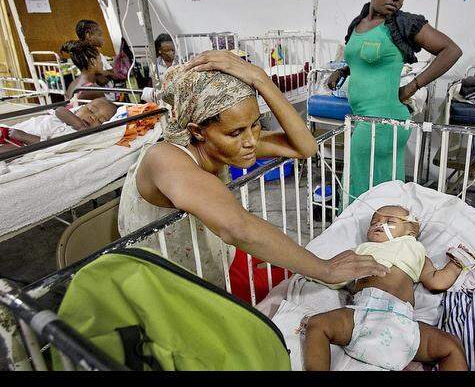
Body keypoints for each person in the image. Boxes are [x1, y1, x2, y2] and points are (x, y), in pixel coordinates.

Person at [117, 50, 388, 288]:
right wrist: (325, 269)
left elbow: (306, 148)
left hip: (207, 265)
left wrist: (260, 79)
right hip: (161, 284)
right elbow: (237, 228)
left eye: (255, 124)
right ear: (197, 132)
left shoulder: (225, 143)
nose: (250, 141)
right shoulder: (165, 158)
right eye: (235, 132)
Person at [324, 0, 462, 201]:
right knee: (372, 188)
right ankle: (375, 236)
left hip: (384, 121)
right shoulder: (358, 23)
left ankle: (367, 235)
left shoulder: (404, 23)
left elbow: (451, 50)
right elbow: (363, 59)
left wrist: (413, 86)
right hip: (364, 118)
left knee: (363, 190)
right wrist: (343, 70)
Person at [301, 205, 469, 371]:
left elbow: (436, 281)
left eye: (389, 221)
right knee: (317, 324)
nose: (378, 224)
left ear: (411, 231)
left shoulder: (417, 251)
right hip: (363, 313)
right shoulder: (362, 250)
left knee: (451, 346)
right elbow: (337, 276)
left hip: (403, 324)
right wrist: (312, 272)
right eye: (374, 222)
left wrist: (456, 265)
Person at [0, 98, 117, 150]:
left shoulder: (76, 136)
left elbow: (50, 145)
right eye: (91, 110)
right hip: (11, 129)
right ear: (80, 108)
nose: (93, 117)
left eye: (100, 121)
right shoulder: (69, 114)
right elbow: (59, 110)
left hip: (22, 142)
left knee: (10, 152)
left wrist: (24, 137)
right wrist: (79, 125)